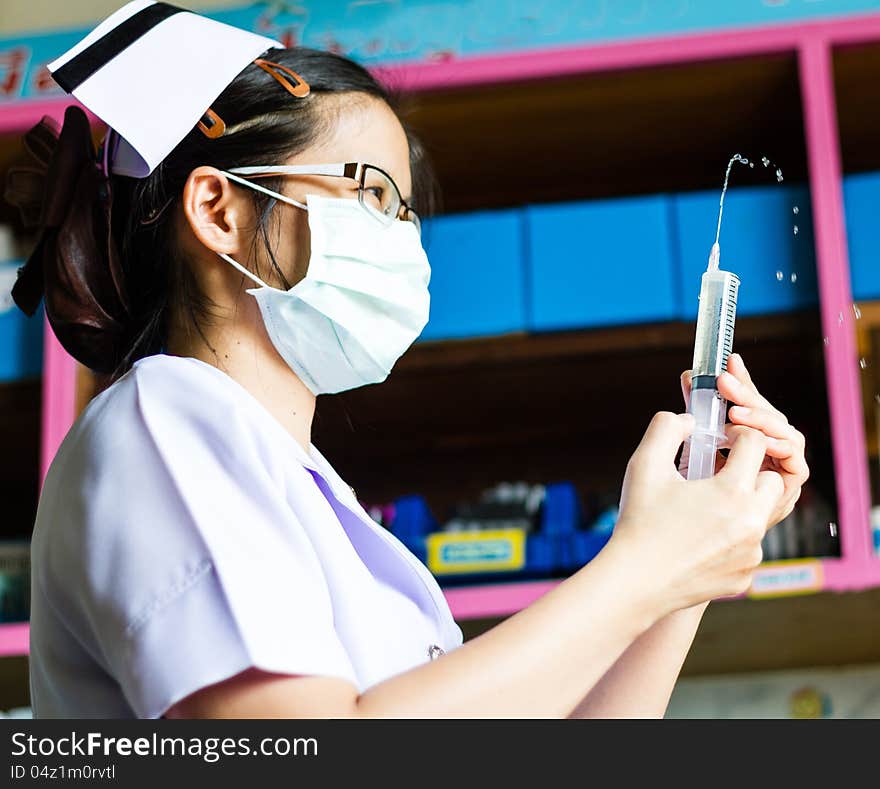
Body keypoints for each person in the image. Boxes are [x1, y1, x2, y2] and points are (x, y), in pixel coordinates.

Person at [6, 2, 808, 719]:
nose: (405, 242)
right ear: (217, 209)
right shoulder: (163, 427)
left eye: (408, 212)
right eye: (376, 195)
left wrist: (686, 561)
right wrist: (645, 564)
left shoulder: (311, 498)